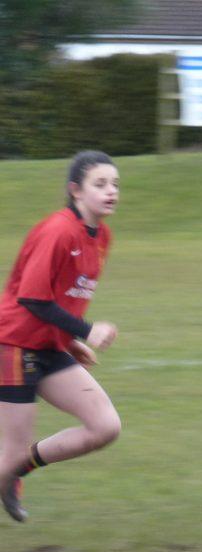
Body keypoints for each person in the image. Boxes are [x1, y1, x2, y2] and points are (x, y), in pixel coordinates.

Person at [0, 150, 122, 522]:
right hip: (15, 344)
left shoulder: (101, 235)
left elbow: (63, 296)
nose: (111, 191)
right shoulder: (57, 230)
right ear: (76, 191)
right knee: (10, 452)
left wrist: (69, 341)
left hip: (48, 345)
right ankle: (11, 469)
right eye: (99, 184)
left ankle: (17, 472)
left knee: (104, 427)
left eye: (115, 184)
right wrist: (86, 330)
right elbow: (32, 298)